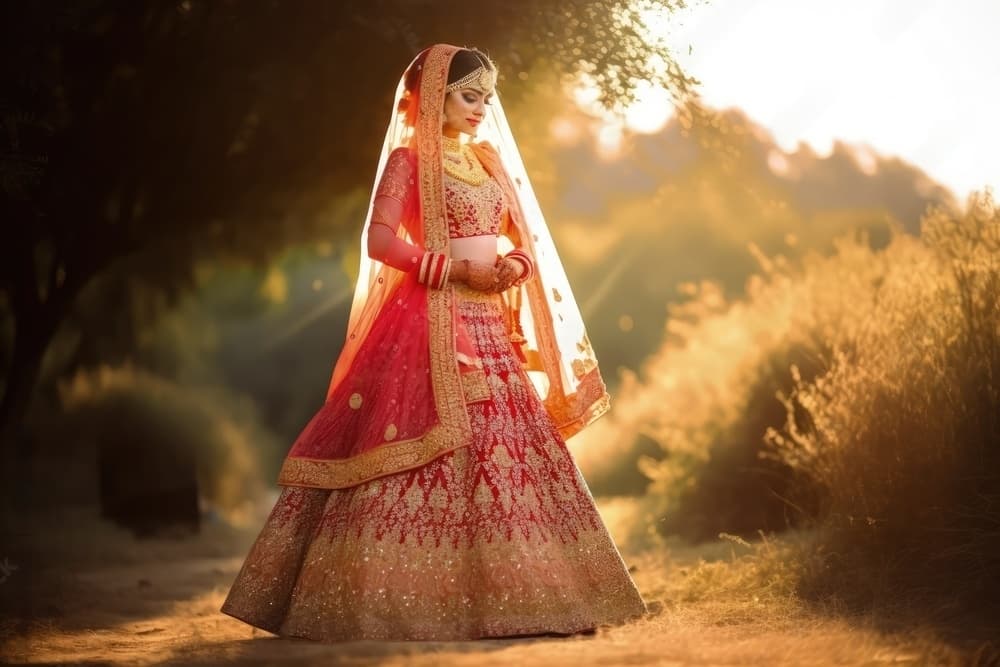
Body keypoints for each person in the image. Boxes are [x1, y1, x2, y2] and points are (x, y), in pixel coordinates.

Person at [220, 43, 647, 641]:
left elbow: (522, 237)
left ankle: (526, 597)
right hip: (427, 319)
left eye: (487, 99)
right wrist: (451, 270)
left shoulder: (492, 161)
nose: (480, 109)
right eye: (470, 96)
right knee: (412, 442)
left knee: (505, 446)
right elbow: (380, 242)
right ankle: (386, 602)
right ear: (435, 95)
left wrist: (514, 266)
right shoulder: (408, 160)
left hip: (491, 324)